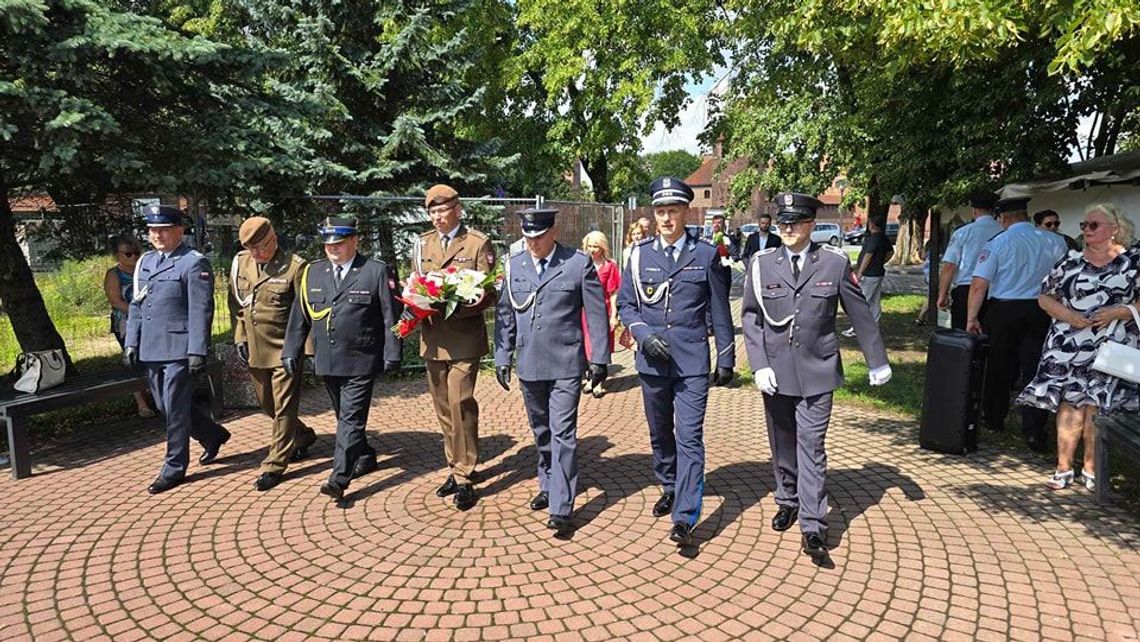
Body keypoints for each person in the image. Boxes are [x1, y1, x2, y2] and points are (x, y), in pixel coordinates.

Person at [741, 192, 890, 560]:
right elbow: (750, 317)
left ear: (811, 225)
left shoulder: (833, 263)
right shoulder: (761, 265)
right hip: (776, 371)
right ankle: (787, 498)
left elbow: (860, 313)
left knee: (812, 447)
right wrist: (758, 364)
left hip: (818, 370)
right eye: (783, 223)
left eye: (796, 223)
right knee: (783, 443)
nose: (788, 229)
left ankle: (813, 524)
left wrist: (877, 360)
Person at [616, 176, 735, 548]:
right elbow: (625, 304)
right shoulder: (638, 255)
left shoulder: (704, 255)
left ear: (686, 212)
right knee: (660, 432)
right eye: (661, 211)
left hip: (691, 361)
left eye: (674, 211)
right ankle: (668, 484)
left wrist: (727, 355)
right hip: (651, 361)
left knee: (689, 435)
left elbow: (719, 307)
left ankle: (685, 516)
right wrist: (642, 334)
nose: (666, 218)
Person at [494, 208, 610, 533]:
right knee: (541, 431)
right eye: (528, 236)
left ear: (553, 232)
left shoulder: (576, 263)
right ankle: (547, 483)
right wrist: (502, 356)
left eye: (539, 236)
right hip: (529, 363)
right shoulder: (514, 266)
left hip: (566, 363)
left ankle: (561, 506)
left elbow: (597, 312)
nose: (533, 243)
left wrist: (599, 357)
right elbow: (506, 316)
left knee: (563, 433)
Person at [1017, 204, 1140, 490]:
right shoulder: (1070, 261)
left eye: (1093, 225)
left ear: (1115, 229)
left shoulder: (1133, 262)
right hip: (1068, 345)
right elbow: (1044, 297)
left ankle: (1091, 469)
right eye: (1084, 225)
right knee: (1070, 404)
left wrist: (1118, 312)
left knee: (1097, 406)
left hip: (1112, 345)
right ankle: (1063, 468)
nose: (1086, 230)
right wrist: (1069, 315)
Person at [282, 216, 402, 501]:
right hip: (327, 359)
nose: (332, 249)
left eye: (339, 243)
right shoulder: (313, 272)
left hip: (361, 358)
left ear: (354, 241)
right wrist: (290, 350)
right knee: (345, 416)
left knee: (350, 419)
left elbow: (391, 318)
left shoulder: (375, 271)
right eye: (328, 244)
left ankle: (339, 478)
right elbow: (299, 317)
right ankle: (365, 454)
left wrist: (393, 352)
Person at [124, 205, 231, 494]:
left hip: (178, 349)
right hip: (151, 348)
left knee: (174, 411)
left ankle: (173, 467)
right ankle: (213, 435)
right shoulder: (146, 262)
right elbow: (137, 305)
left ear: (179, 230)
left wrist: (197, 350)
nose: (157, 235)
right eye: (152, 230)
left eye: (164, 229)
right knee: (164, 406)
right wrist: (131, 341)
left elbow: (200, 310)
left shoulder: (193, 263)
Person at [412, 184, 497, 511]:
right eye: (432, 212)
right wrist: (417, 299)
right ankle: (455, 465)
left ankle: (464, 474)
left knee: (460, 401)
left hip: (463, 337)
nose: (437, 218)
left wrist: (462, 302)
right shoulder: (422, 245)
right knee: (444, 408)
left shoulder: (476, 243)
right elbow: (414, 281)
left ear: (457, 210)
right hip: (432, 338)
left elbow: (489, 292)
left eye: (443, 211)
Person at [966, 197, 1067, 450]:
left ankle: (994, 417)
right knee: (1036, 368)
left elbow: (979, 284)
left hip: (1004, 309)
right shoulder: (1054, 241)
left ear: (1004, 218)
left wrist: (972, 317)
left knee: (999, 365)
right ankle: (1034, 431)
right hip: (1042, 309)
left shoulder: (998, 243)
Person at [230, 217, 318, 492]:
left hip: (285, 348)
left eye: (261, 247)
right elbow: (236, 304)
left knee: (283, 407)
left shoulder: (295, 266)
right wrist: (240, 336)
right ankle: (302, 435)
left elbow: (305, 311)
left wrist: (304, 350)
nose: (257, 254)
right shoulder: (241, 263)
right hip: (256, 347)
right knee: (266, 403)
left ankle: (275, 463)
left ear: (273, 238)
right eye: (251, 249)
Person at [104, 235, 155, 418]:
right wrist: (138, 313)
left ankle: (158, 395)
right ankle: (141, 403)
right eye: (128, 254)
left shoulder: (146, 270)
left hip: (151, 322)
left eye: (136, 253)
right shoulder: (114, 274)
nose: (133, 257)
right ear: (117, 255)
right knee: (135, 361)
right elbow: (116, 301)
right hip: (126, 323)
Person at [938, 191, 1003, 330]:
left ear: (974, 210)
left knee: (963, 338)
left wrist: (942, 295)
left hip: (967, 290)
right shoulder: (1004, 231)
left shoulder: (963, 232)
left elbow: (950, 265)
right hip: (997, 291)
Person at [581, 231, 621, 397]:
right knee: (587, 346)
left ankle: (599, 382)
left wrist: (614, 315)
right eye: (589, 246)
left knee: (601, 346)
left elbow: (613, 292)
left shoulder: (609, 266)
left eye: (595, 246)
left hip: (603, 310)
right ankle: (590, 378)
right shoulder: (582, 264)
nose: (592, 250)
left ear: (602, 247)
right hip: (584, 311)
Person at [842, 217, 892, 337]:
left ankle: (857, 328)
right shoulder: (883, 237)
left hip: (869, 274)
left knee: (862, 301)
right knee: (874, 301)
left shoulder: (873, 239)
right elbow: (891, 253)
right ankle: (874, 325)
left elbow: (868, 255)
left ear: (872, 225)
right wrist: (880, 262)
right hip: (878, 273)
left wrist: (860, 272)